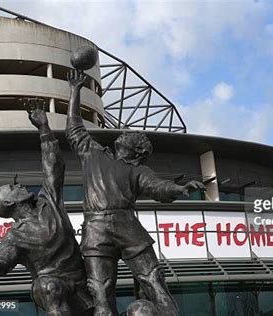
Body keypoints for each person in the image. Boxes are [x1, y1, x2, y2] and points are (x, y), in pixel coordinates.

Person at [66, 69, 204, 316]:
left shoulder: (139, 171)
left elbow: (158, 188)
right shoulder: (93, 153)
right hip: (96, 228)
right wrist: (75, 90)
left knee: (154, 281)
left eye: (134, 137)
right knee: (101, 293)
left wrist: (179, 188)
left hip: (127, 226)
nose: (126, 133)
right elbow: (74, 128)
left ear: (138, 152)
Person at [0, 100, 93, 316]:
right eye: (12, 187)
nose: (18, 184)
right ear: (9, 203)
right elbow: (4, 261)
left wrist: (44, 128)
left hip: (80, 284)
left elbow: (53, 166)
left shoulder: (48, 202)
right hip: (48, 288)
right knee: (49, 286)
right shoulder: (15, 236)